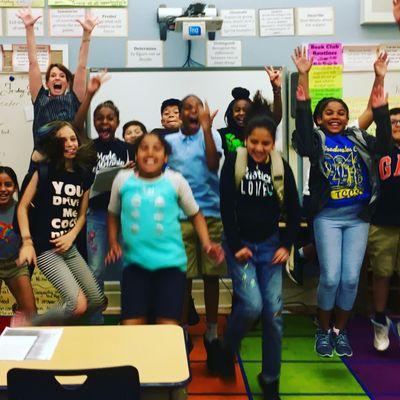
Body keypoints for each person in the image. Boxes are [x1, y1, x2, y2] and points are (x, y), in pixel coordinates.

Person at [292, 47, 391, 358]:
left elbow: (386, 145)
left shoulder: (359, 138)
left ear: (348, 117)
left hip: (358, 217)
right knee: (331, 276)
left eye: (341, 112)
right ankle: (323, 330)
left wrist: (379, 85)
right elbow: (305, 135)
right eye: (329, 113)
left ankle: (340, 331)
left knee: (350, 279)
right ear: (320, 119)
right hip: (328, 218)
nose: (335, 117)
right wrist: (304, 77)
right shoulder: (316, 141)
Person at [218, 102, 300, 400]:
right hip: (241, 247)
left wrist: (286, 245)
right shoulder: (234, 161)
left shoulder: (280, 165)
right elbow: (226, 206)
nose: (259, 148)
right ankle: (227, 350)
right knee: (251, 305)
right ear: (246, 139)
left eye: (266, 143)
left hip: (269, 247)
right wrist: (236, 245)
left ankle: (270, 380)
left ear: (273, 143)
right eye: (254, 142)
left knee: (274, 314)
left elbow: (294, 209)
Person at [106, 131, 224, 325]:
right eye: (144, 148)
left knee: (166, 328)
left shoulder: (175, 180)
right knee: (132, 326)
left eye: (157, 149)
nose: (150, 153)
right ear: (136, 155)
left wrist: (206, 244)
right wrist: (112, 242)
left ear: (165, 157)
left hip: (170, 268)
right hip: (135, 268)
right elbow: (112, 213)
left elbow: (195, 214)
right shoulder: (122, 179)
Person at [17, 121, 106, 326]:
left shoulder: (83, 175)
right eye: (62, 140)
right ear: (54, 144)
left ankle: (63, 332)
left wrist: (70, 236)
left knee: (95, 301)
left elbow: (82, 215)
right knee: (77, 305)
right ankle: (30, 324)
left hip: (69, 247)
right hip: (46, 250)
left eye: (73, 138)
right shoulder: (44, 171)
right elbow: (22, 207)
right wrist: (27, 242)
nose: (70, 144)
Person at [165, 95, 226, 369]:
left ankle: (211, 331)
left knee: (211, 277)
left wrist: (206, 130)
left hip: (211, 215)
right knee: (183, 280)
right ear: (180, 114)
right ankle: (182, 333)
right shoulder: (169, 142)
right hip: (180, 219)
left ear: (201, 112)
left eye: (196, 107)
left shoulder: (212, 136)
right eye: (186, 108)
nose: (191, 111)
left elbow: (213, 164)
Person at [18, 8, 98, 162]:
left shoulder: (73, 98)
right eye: (53, 76)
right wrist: (29, 29)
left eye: (62, 76)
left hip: (70, 161)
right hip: (42, 162)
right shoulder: (40, 97)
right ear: (47, 83)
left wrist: (87, 35)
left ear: (67, 83)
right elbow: (33, 63)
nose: (57, 78)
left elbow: (81, 66)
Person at [86, 101, 134, 323]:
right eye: (100, 118)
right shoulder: (87, 148)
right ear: (94, 122)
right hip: (95, 215)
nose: (104, 122)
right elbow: (81, 180)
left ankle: (129, 318)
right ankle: (96, 320)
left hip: (123, 217)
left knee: (128, 269)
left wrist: (125, 174)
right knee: (95, 270)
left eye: (110, 118)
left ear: (117, 121)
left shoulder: (126, 149)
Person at [368, 106, 400, 351]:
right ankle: (380, 321)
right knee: (382, 273)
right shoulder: (379, 148)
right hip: (382, 221)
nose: (397, 125)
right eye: (392, 122)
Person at [0, 167, 37, 324]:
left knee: (31, 313)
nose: (2, 189)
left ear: (15, 187)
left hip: (16, 265)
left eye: (8, 184)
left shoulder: (22, 209)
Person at [218, 67, 282, 156]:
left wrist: (276, 90)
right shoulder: (223, 134)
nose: (241, 113)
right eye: (237, 110)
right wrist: (207, 128)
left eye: (245, 110)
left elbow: (275, 119)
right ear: (231, 113)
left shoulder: (258, 130)